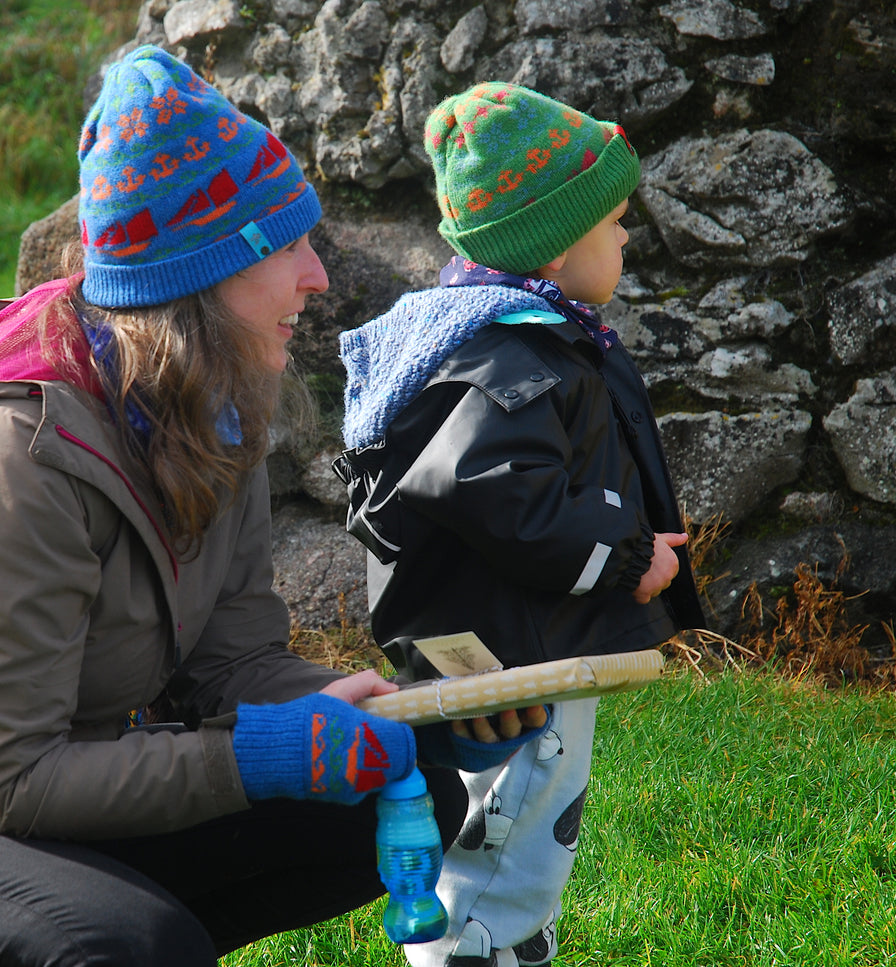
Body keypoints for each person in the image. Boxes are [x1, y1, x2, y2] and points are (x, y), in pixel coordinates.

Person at [0, 45, 479, 967]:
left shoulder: (215, 408)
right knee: (120, 943)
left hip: (4, 809)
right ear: (197, 280)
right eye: (286, 247)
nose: (316, 276)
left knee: (401, 788)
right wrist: (254, 758)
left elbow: (233, 664)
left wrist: (407, 712)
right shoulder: (8, 450)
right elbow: (11, 780)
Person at [335, 82, 707, 967]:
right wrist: (622, 559)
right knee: (515, 806)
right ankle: (475, 948)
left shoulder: (504, 336)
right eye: (613, 222)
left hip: (518, 625)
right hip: (520, 643)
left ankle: (506, 941)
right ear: (554, 243)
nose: (624, 237)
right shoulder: (515, 355)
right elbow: (497, 490)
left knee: (520, 801)